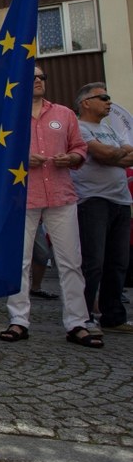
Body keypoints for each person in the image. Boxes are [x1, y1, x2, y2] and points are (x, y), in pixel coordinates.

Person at [1, 66, 99, 347]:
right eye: (31, 77)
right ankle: (18, 320)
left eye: (41, 77)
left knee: (71, 262)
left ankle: (77, 322)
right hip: (23, 196)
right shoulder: (9, 117)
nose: (37, 81)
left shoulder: (64, 114)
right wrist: (20, 159)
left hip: (60, 195)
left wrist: (72, 158)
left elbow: (80, 147)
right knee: (19, 261)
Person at [71, 83, 133, 333]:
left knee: (118, 262)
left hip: (120, 200)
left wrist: (113, 154)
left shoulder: (107, 128)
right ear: (86, 102)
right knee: (93, 261)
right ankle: (82, 316)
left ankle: (113, 315)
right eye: (103, 97)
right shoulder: (79, 127)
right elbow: (103, 154)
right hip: (92, 200)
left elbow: (122, 154)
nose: (109, 102)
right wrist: (116, 154)